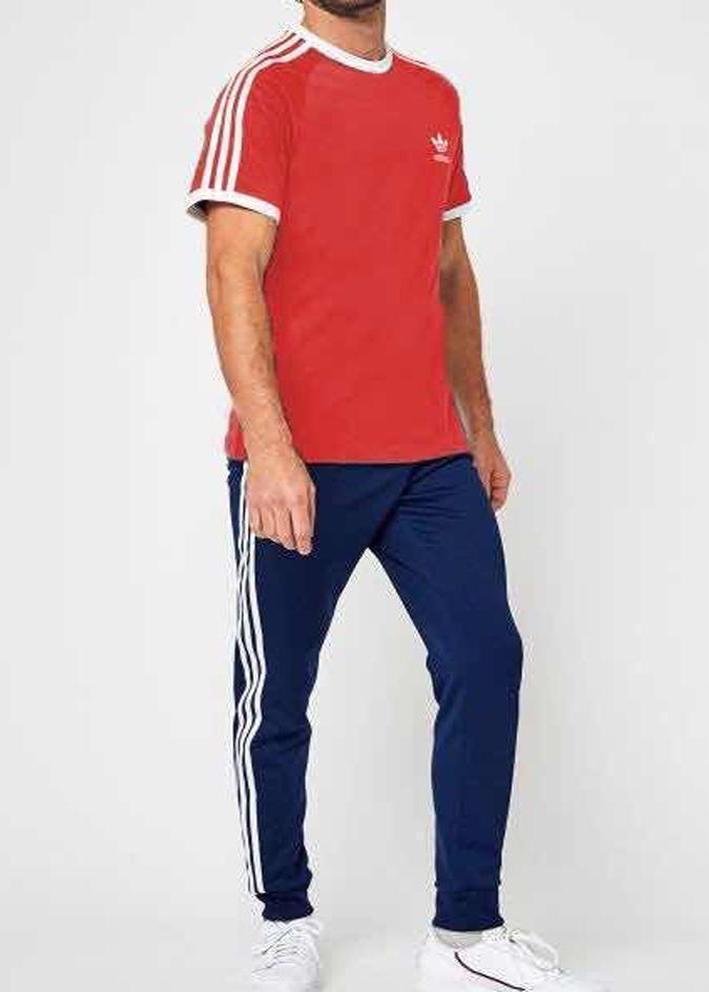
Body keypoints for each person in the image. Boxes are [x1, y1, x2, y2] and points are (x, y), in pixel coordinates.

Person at [187, 2, 609, 989]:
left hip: (427, 457)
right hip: (302, 460)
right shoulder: (266, 90)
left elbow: (450, 271)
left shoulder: (431, 98)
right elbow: (231, 271)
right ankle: (284, 916)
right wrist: (272, 452)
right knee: (276, 691)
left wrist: (479, 426)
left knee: (485, 658)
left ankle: (464, 932)